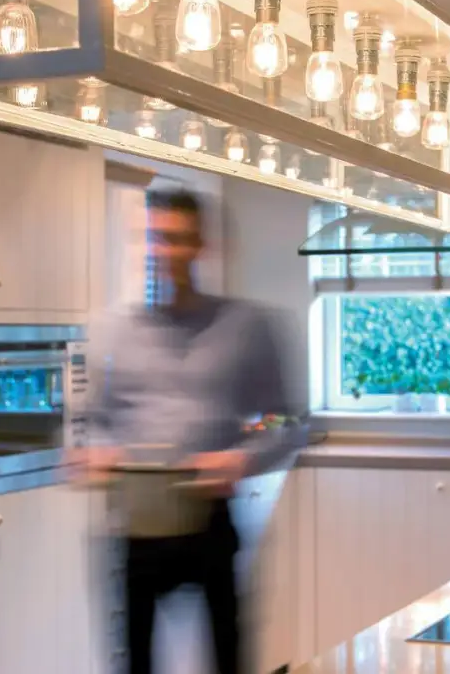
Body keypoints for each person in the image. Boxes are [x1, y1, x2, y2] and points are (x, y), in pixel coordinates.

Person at [83, 188, 302, 674]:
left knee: (228, 657)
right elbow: (96, 419)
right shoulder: (111, 329)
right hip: (135, 523)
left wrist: (242, 457)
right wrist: (96, 452)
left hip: (210, 519)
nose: (166, 251)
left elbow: (285, 419)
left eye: (179, 239)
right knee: (133, 662)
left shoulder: (246, 326)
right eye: (157, 238)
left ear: (201, 245)